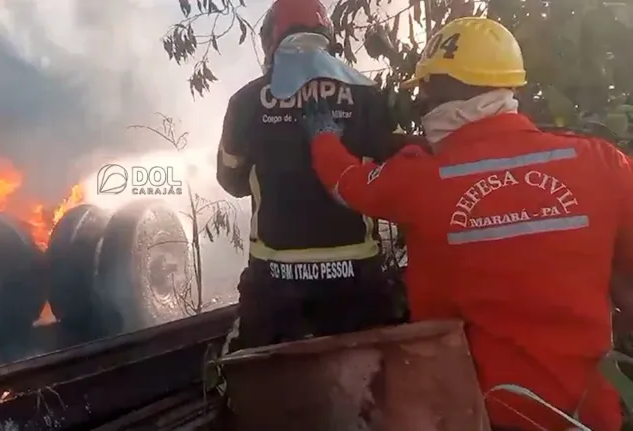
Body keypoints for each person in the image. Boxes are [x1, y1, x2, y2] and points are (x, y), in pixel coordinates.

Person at [300, 16, 623, 431]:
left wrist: (323, 136)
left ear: (442, 91)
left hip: (486, 416)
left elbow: (347, 184)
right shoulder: (602, 162)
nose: (420, 102)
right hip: (592, 418)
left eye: (426, 90)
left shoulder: (421, 180)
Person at [216, 0, 405, 353]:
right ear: (327, 36)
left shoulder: (245, 102)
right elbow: (396, 172)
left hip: (275, 282)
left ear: (271, 40)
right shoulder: (368, 96)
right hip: (358, 279)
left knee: (239, 370)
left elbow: (232, 181)